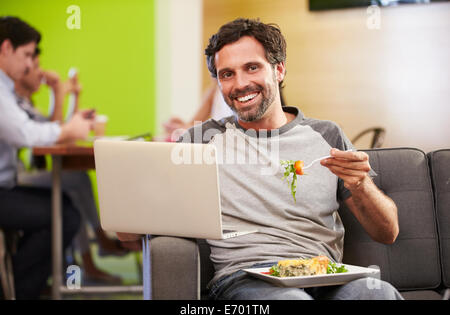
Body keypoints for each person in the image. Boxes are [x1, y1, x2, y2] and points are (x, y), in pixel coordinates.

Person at [118, 18, 402, 300]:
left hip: (325, 275)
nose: (240, 84)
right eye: (226, 74)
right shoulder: (198, 141)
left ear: (278, 70)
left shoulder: (326, 135)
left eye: (252, 68)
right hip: (244, 278)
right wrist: (138, 189)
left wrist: (361, 184)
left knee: (379, 295)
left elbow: (387, 233)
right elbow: (126, 233)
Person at [14, 47, 128, 284]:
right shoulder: (14, 103)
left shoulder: (24, 104)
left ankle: (92, 258)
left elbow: (56, 130)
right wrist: (58, 91)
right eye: (34, 66)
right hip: (16, 177)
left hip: (23, 174)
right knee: (74, 180)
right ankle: (97, 246)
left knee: (75, 181)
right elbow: (57, 134)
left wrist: (71, 97)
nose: (38, 71)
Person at [0, 16, 90, 299]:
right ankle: (20, 288)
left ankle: (22, 284)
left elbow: (37, 128)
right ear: (5, 48)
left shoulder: (7, 89)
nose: (31, 65)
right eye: (27, 55)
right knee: (63, 214)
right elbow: (26, 134)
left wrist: (66, 123)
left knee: (63, 207)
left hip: (7, 185)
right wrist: (70, 128)